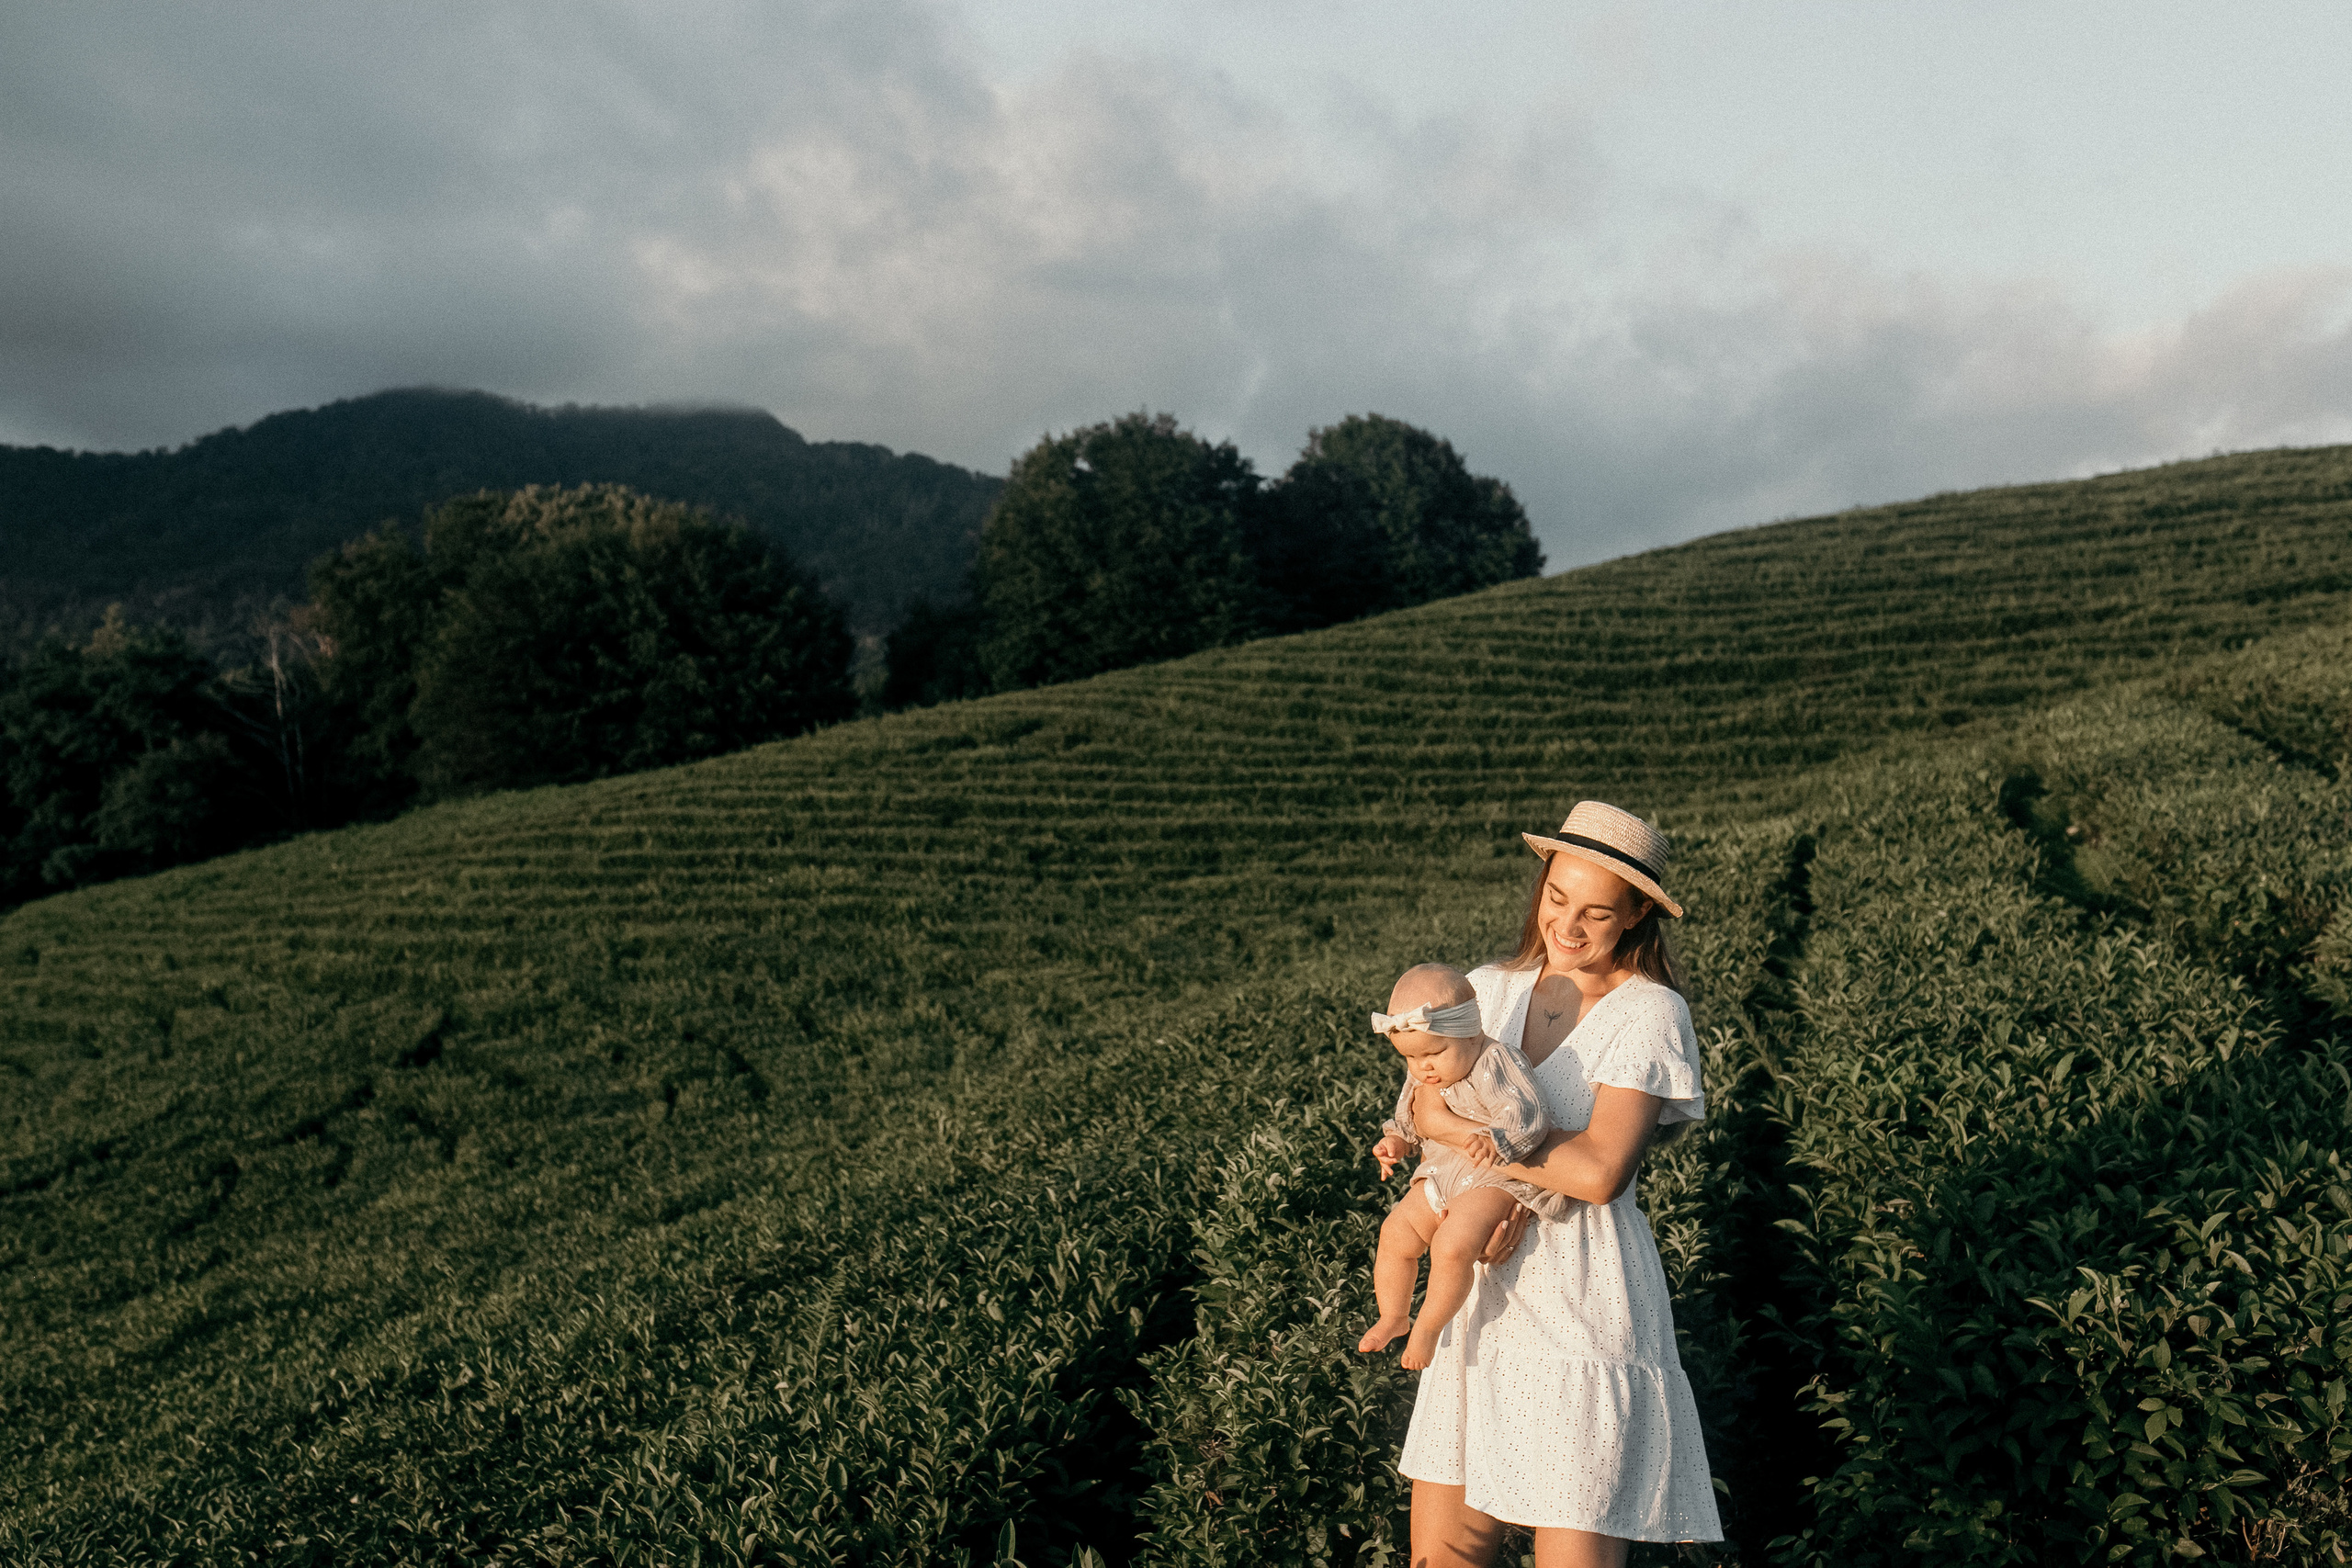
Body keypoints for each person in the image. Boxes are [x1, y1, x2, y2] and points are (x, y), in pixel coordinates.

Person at [1396, 800, 1724, 1568]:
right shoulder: (1484, 990)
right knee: (1441, 1561)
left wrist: (1466, 1139)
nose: (1567, 927)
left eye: (1597, 912)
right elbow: (1417, 1100)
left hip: (1584, 1303)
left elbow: (1601, 1171)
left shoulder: (1651, 1012)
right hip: (1482, 1301)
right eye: (1556, 898)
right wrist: (1462, 1149)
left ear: (1639, 912)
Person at [1357, 963, 1577, 1371]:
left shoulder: (1497, 1061)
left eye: (1434, 1053)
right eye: (1410, 1057)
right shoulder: (1427, 1072)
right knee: (1395, 1233)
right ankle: (1394, 1315)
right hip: (1440, 1172)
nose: (1423, 1067)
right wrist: (1397, 1141)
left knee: (1451, 1245)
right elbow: (1410, 1117)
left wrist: (1500, 1139)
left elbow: (1530, 1114)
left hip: (1493, 1176)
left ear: (1471, 1033)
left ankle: (1427, 1327)